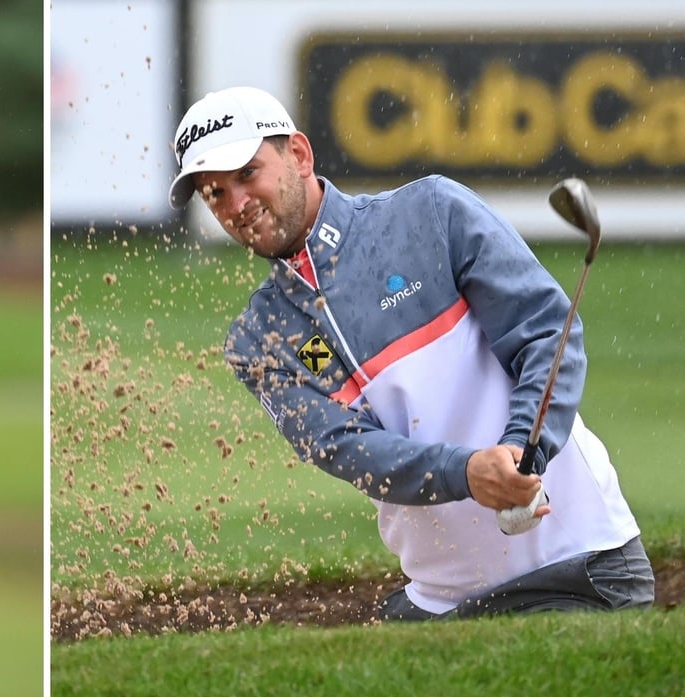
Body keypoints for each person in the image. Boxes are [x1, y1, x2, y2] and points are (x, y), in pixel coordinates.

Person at [167, 86, 654, 621]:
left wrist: (522, 452)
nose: (235, 205)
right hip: (440, 600)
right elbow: (346, 449)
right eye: (214, 194)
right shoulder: (257, 339)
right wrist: (467, 472)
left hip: (577, 564)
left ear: (299, 155)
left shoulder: (430, 213)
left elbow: (545, 337)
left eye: (246, 174)